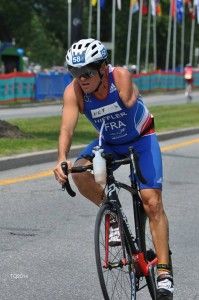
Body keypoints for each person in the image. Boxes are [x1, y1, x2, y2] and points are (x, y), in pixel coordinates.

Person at [53, 38, 174, 299]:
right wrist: (61, 157)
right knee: (79, 171)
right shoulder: (74, 91)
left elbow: (128, 100)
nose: (81, 79)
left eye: (86, 72)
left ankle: (164, 272)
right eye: (75, 73)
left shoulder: (119, 75)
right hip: (108, 143)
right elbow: (67, 127)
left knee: (151, 202)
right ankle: (113, 216)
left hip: (141, 140)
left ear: (103, 68)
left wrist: (111, 94)